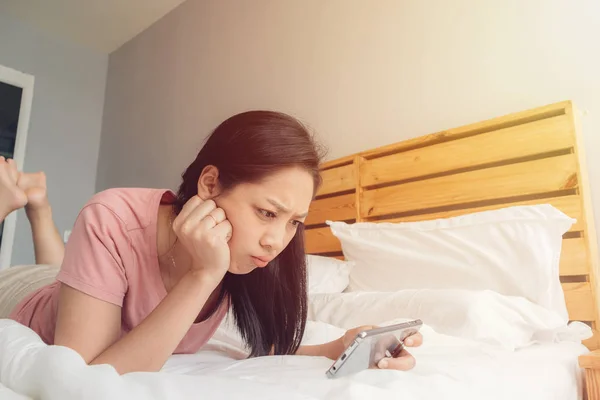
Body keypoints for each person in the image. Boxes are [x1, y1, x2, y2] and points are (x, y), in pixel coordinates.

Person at [6, 111, 422, 375]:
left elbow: (265, 341)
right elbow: (84, 379)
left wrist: (338, 346)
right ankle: (29, 207)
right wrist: (203, 275)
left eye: (294, 221)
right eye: (267, 212)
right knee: (47, 274)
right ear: (209, 184)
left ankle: (38, 205)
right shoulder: (112, 216)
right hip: (25, 296)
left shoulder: (249, 255)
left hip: (78, 280)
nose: (277, 240)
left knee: (60, 270)